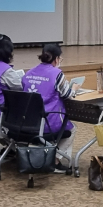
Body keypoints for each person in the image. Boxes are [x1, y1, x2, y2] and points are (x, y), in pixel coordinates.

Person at [21, 44, 80, 173]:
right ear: (56, 58)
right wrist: (74, 88)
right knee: (71, 128)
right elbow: (67, 95)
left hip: (28, 121)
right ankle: (55, 160)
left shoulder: (28, 73)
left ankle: (45, 155)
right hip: (48, 122)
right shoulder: (57, 74)